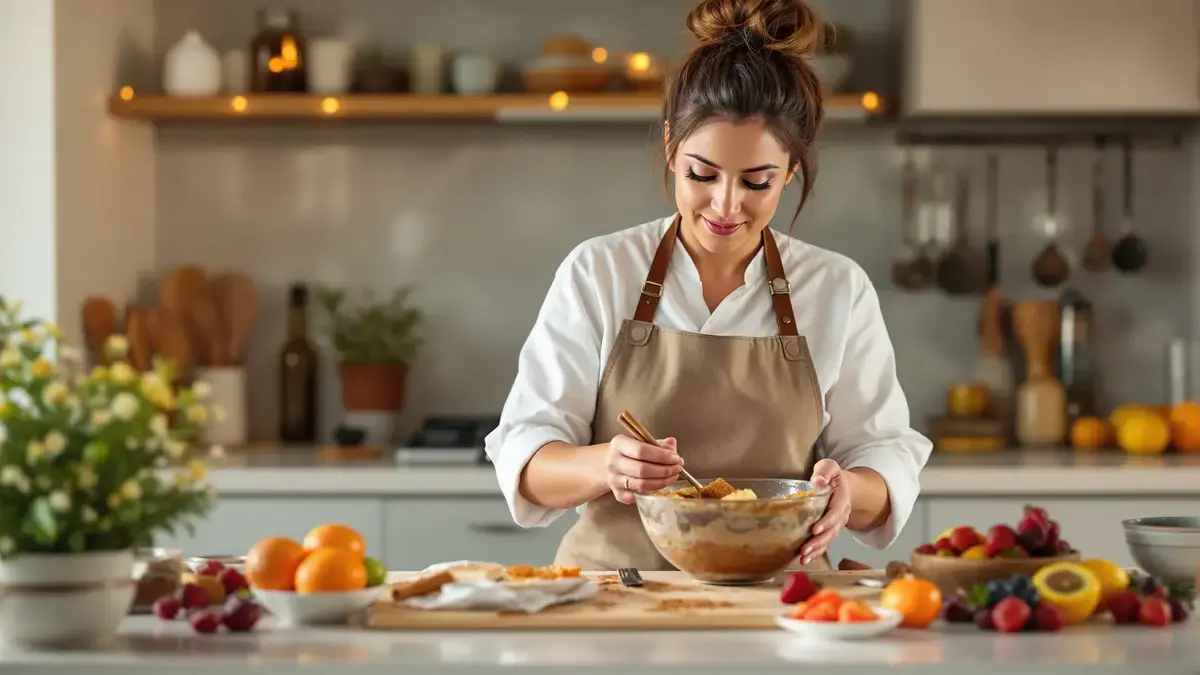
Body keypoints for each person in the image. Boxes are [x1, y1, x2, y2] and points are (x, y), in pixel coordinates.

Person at [484, 0, 932, 572]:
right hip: (618, 607)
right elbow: (526, 457)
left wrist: (850, 491)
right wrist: (606, 465)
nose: (725, 204)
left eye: (756, 182)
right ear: (671, 145)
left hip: (780, 610)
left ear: (791, 169)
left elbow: (883, 456)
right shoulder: (599, 272)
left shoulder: (836, 288)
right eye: (702, 174)